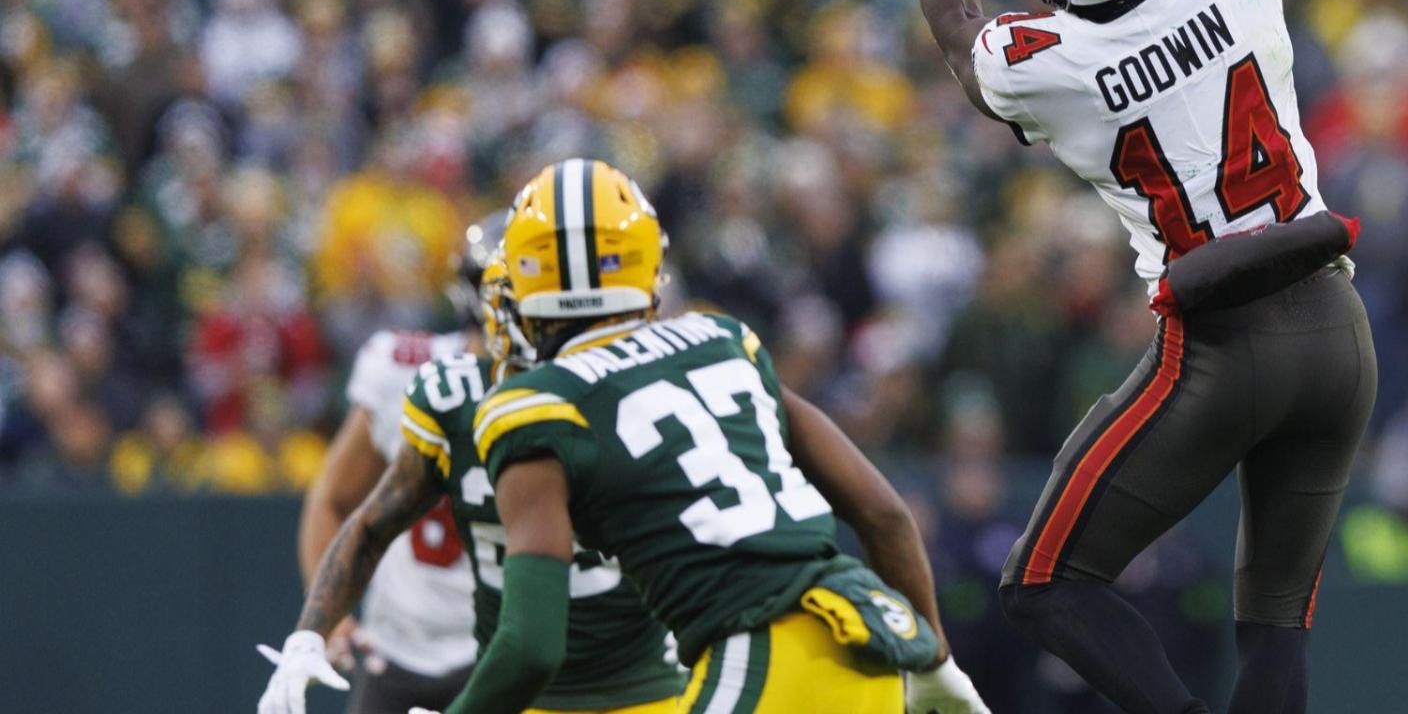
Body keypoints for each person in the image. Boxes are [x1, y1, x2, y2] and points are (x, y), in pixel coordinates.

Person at [889, 0, 1376, 714]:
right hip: (1337, 330)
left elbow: (956, 30)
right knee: (1274, 624)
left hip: (1223, 347)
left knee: (1043, 584)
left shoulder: (1056, 66)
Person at [430, 158, 989, 714]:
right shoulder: (719, 339)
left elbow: (530, 647)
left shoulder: (533, 403)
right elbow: (882, 513)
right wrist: (938, 665)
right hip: (868, 642)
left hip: (758, 656)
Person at [256, 252, 685, 714]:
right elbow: (350, 512)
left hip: (520, 650)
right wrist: (317, 629)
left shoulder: (599, 391)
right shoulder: (435, 384)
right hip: (409, 645)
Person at [262, 215, 506, 713]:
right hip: (399, 654)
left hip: (505, 652)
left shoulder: (559, 386)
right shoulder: (409, 373)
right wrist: (327, 620)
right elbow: (332, 499)